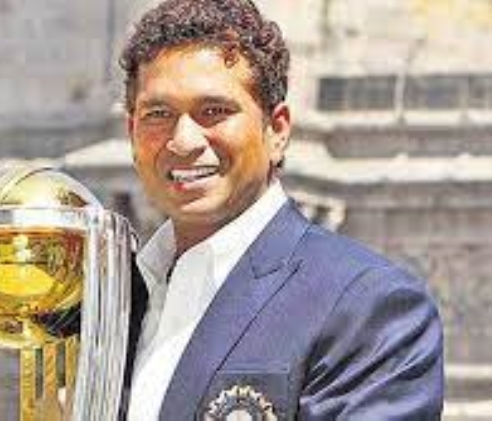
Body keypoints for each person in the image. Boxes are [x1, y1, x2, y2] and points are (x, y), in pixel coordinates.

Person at [119, 0, 444, 419]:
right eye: (158, 114)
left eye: (214, 111)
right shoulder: (109, 303)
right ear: (131, 132)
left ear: (277, 131)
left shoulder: (369, 307)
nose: (183, 141)